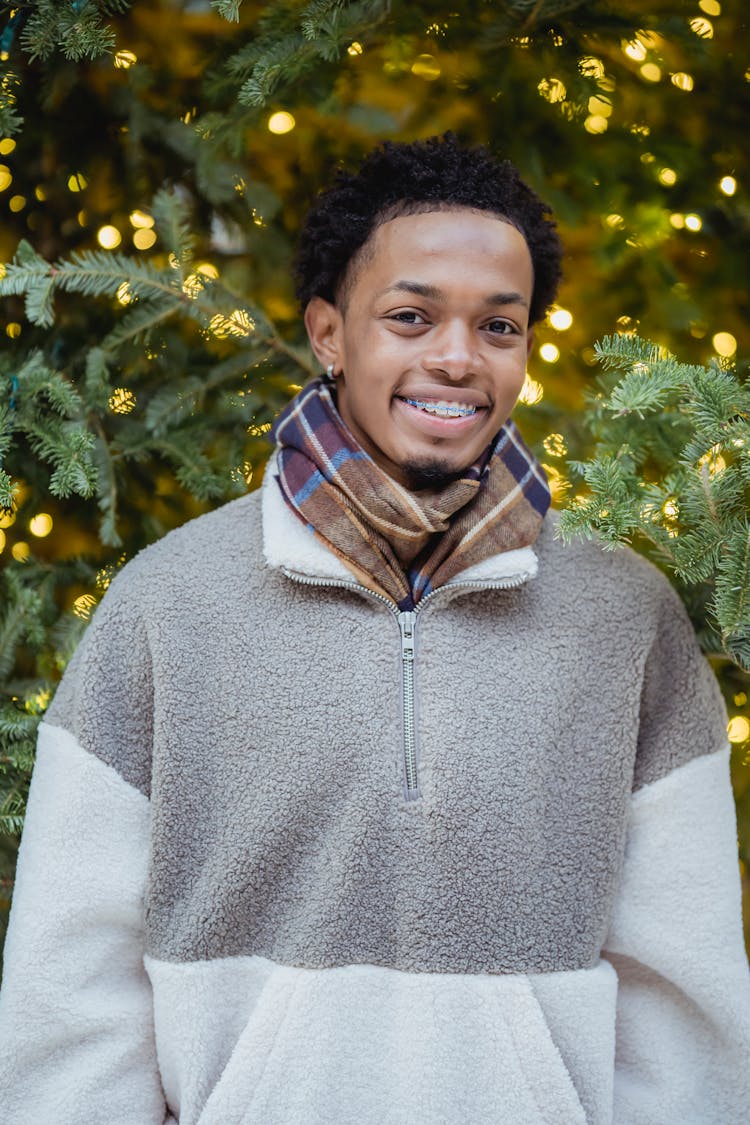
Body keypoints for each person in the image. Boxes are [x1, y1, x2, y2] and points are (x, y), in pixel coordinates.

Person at [1, 133, 749, 1125]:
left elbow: (684, 1000)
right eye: (410, 316)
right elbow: (70, 993)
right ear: (328, 331)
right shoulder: (166, 605)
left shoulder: (623, 620)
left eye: (500, 326)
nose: (457, 357)